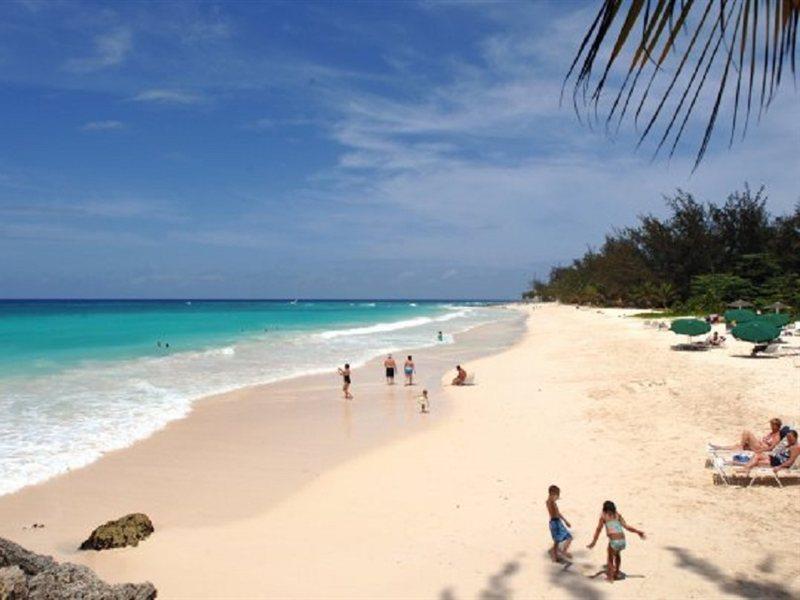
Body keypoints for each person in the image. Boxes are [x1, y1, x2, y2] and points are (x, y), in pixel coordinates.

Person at [587, 500, 645, 582]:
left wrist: (593, 542)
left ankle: (610, 577)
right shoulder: (618, 515)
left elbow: (598, 530)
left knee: (610, 559)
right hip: (622, 540)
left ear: (604, 509)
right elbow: (627, 527)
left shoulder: (604, 516)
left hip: (614, 541)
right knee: (617, 555)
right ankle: (616, 573)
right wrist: (638, 532)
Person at [709, 418, 782, 452]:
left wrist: (760, 450)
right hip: (758, 445)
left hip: (760, 448)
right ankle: (720, 448)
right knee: (738, 445)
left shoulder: (777, 436)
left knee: (746, 432)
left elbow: (771, 448)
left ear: (777, 426)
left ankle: (740, 448)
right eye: (771, 425)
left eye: (773, 425)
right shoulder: (771, 433)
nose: (771, 426)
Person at [546, 485, 572, 562]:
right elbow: (558, 513)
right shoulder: (553, 503)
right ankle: (564, 551)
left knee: (556, 541)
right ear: (553, 494)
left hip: (552, 522)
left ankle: (555, 557)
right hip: (556, 522)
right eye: (557, 495)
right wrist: (566, 521)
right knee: (569, 537)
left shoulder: (547, 502)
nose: (558, 497)